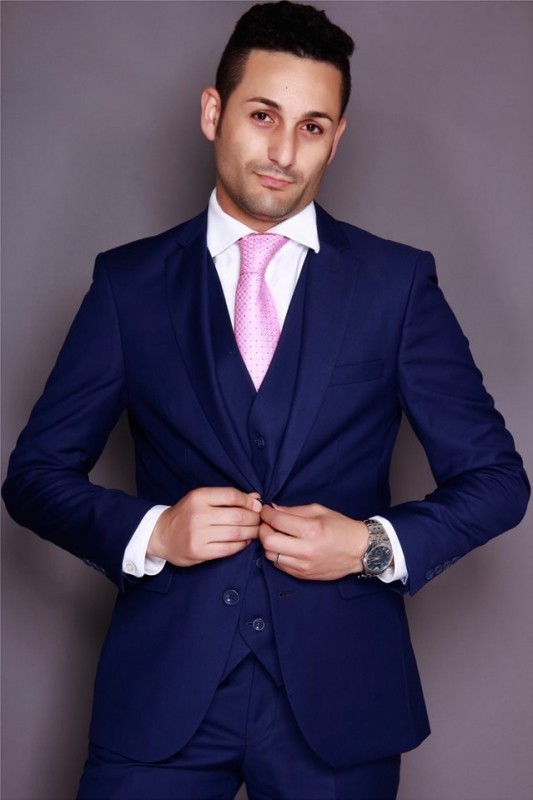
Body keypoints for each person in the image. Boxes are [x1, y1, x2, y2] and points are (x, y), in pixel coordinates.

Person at [2, 2, 529, 798]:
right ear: (213, 112)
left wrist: (370, 545)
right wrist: (153, 532)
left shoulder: (394, 286)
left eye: (311, 127)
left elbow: (496, 481)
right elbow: (35, 476)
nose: (283, 152)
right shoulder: (127, 285)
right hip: (161, 696)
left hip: (339, 699)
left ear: (336, 138)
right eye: (262, 115)